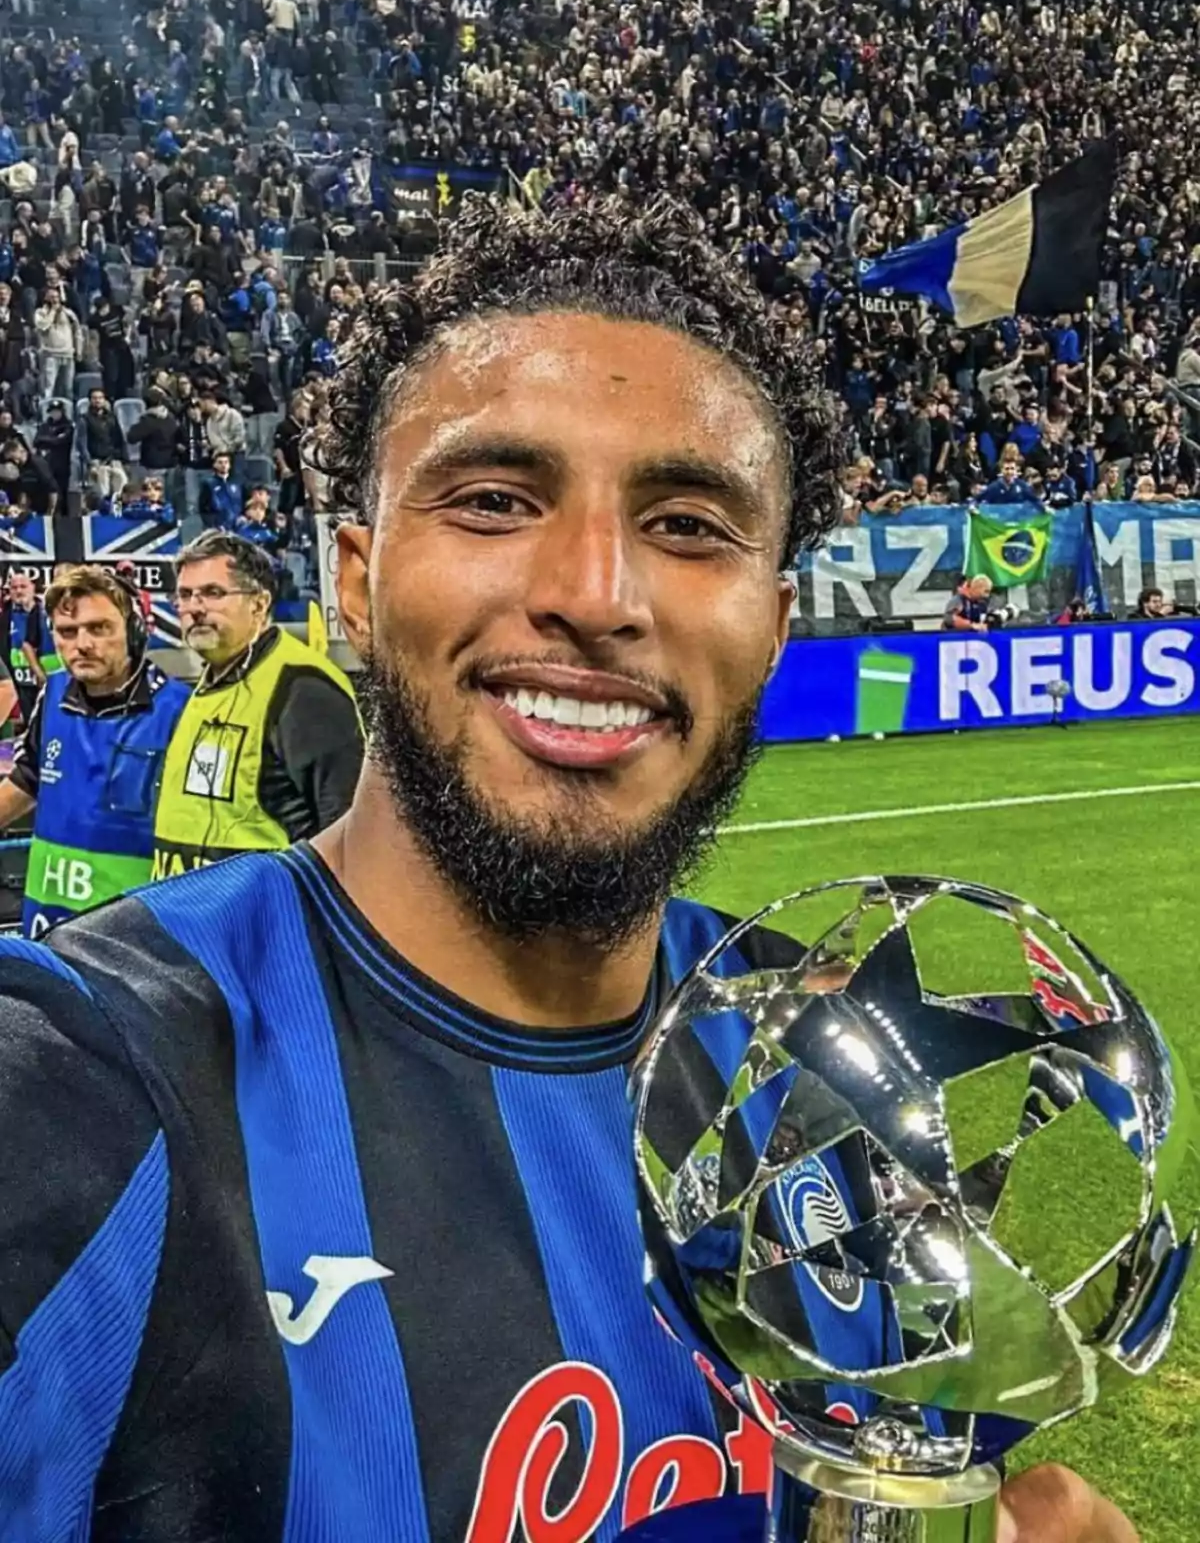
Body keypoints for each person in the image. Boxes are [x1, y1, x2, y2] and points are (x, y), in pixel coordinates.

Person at [0, 198, 1136, 1543]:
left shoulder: (820, 1052)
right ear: (354, 585)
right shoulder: (79, 1084)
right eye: (493, 500)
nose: (598, 589)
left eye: (691, 524)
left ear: (773, 626)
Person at [152, 529, 363, 878]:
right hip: (191, 921)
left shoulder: (302, 688)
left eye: (212, 593)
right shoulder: (209, 685)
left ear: (259, 603)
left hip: (264, 925)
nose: (194, 608)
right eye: (185, 595)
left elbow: (348, 830)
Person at [0, 565, 189, 936]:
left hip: (137, 939)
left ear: (135, 632)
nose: (82, 644)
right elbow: (27, 779)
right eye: (67, 632)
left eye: (99, 628)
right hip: (48, 929)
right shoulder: (51, 695)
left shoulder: (181, 711)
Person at [0, 568, 46, 722]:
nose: (18, 591)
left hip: (46, 681)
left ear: (33, 588)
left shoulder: (46, 613)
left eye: (23, 586)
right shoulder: (4, 617)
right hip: (19, 683)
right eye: (14, 587)